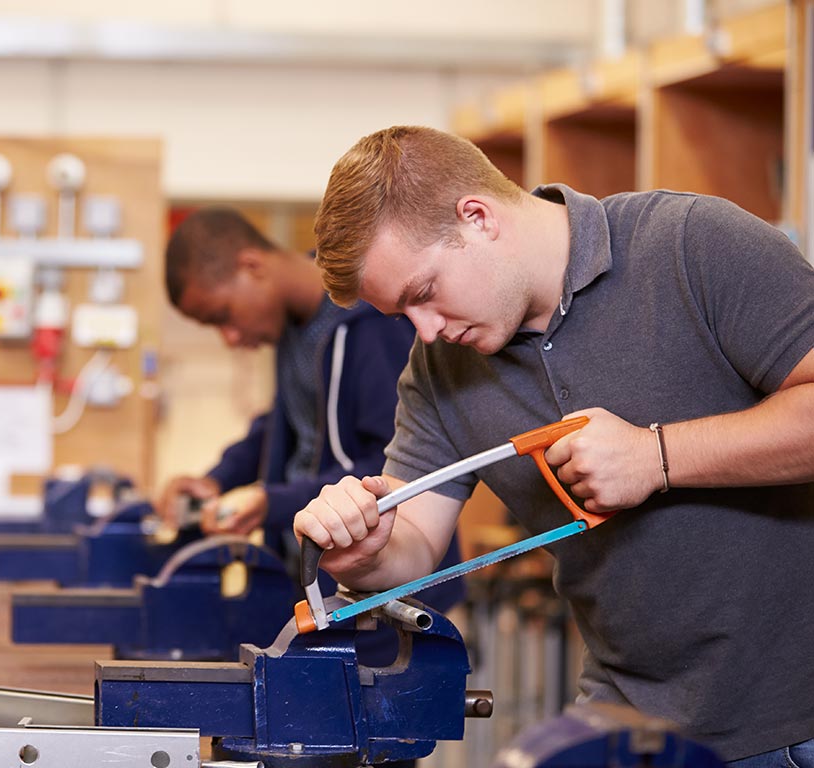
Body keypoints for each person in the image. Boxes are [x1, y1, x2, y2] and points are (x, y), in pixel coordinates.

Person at [293, 125, 814, 765]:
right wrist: (365, 548)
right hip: (631, 721)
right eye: (404, 316)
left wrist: (659, 456)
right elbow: (416, 545)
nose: (425, 332)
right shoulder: (439, 371)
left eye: (423, 294)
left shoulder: (689, 244)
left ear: (477, 217)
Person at [156, 206, 464, 617]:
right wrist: (217, 481)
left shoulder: (371, 324)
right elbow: (284, 425)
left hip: (391, 601)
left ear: (252, 267)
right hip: (323, 584)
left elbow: (394, 467)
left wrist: (272, 502)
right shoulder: (298, 328)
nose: (229, 338)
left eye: (223, 316)